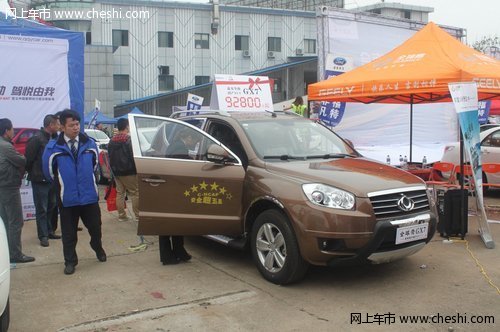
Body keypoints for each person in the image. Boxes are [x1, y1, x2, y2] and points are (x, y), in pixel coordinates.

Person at [42, 109, 106, 275]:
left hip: (89, 197)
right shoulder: (53, 148)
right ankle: (70, 261)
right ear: (62, 127)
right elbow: (49, 173)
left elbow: (94, 167)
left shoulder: (89, 143)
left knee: (95, 228)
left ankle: (97, 247)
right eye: (72, 125)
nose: (76, 128)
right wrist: (64, 186)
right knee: (69, 234)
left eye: (77, 124)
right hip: (68, 199)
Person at [0, 118, 35, 263]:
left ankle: (7, 252)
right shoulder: (6, 146)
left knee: (6, 221)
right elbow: (22, 160)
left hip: (3, 186)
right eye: (12, 129)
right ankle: (15, 254)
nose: (13, 131)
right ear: (7, 130)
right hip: (8, 187)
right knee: (15, 222)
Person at [159, 128, 195, 265]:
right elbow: (180, 167)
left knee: (173, 222)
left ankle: (178, 252)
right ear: (189, 138)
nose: (195, 143)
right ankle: (169, 256)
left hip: (169, 188)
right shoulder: (181, 148)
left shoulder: (174, 145)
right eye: (194, 140)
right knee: (171, 223)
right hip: (174, 189)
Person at [25, 114, 61, 247]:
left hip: (51, 179)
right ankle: (43, 235)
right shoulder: (36, 139)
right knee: (42, 208)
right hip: (39, 179)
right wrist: (34, 173)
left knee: (51, 205)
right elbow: (28, 160)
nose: (58, 127)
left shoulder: (54, 139)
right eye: (57, 124)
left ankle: (50, 231)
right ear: (50, 125)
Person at [107, 118, 139, 222]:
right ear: (126, 127)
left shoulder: (111, 141)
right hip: (129, 171)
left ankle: (122, 215)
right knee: (135, 192)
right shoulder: (129, 140)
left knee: (120, 193)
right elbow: (132, 156)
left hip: (116, 172)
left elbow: (110, 157)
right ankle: (138, 215)